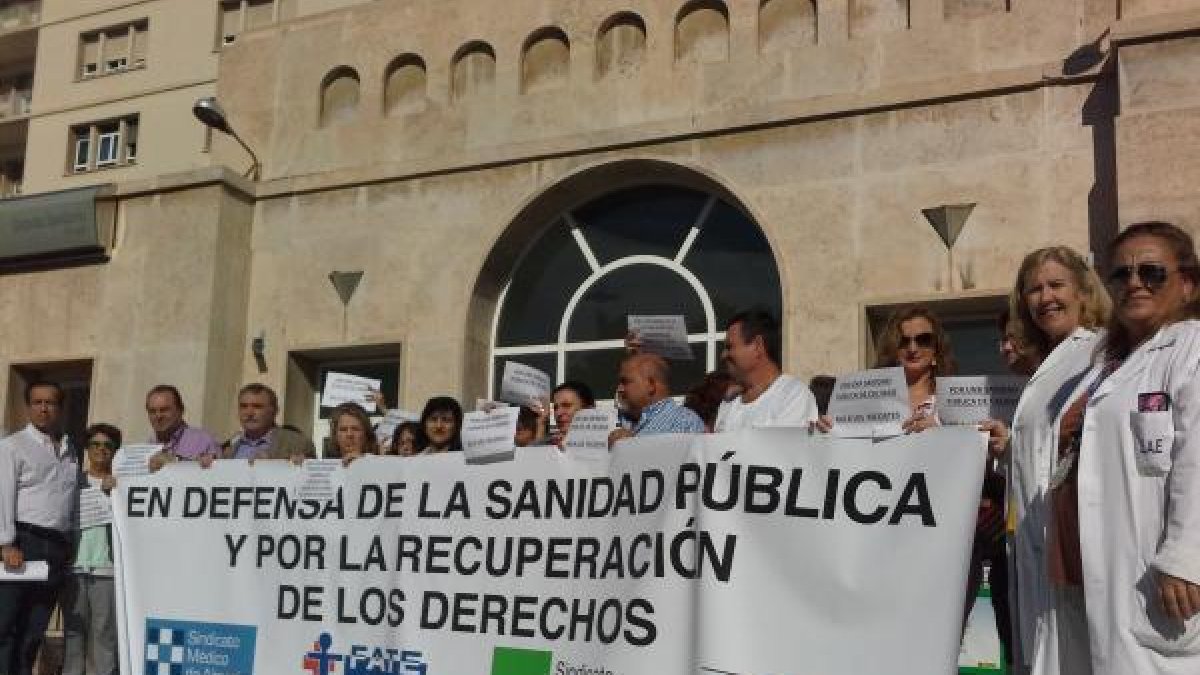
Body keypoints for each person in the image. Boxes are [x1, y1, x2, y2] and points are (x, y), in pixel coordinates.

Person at [1044, 221, 1200, 674]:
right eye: (1121, 273)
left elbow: (1196, 457)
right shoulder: (1114, 362)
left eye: (1152, 272)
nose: (1134, 282)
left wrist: (1185, 556)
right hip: (1102, 563)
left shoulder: (1189, 348)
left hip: (1157, 569)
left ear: (1187, 283)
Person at [996, 246, 1110, 675]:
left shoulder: (1100, 352)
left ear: (1082, 291)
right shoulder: (1048, 363)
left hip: (1071, 544)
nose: (1045, 297)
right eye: (1034, 289)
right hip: (1032, 542)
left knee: (1078, 653)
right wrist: (1008, 447)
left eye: (1056, 285)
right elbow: (1045, 450)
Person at [0, 381, 78, 675]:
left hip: (56, 547)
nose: (44, 408)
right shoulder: (12, 445)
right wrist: (6, 543)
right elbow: (2, 494)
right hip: (23, 543)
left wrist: (70, 545)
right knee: (6, 626)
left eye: (50, 402)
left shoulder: (70, 449)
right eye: (37, 402)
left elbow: (69, 501)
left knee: (34, 630)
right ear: (28, 406)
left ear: (60, 407)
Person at [62, 423, 121, 675]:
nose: (101, 449)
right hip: (73, 570)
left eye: (108, 445)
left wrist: (118, 491)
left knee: (104, 635)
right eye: (95, 444)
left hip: (107, 570)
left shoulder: (122, 484)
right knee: (73, 635)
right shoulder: (73, 481)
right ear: (87, 448)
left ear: (115, 451)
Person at [713, 310, 818, 431]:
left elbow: (782, 443)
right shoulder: (729, 401)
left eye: (729, 347)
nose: (723, 355)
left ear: (758, 345)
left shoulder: (793, 396)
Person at [609, 353, 704, 446]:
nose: (620, 389)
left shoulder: (684, 423)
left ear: (651, 385)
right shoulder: (613, 419)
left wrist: (631, 446)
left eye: (625, 382)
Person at [222, 383, 315, 462]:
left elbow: (313, 475)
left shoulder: (297, 444)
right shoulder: (227, 449)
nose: (249, 413)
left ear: (274, 411)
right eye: (244, 406)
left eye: (257, 406)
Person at [144, 384, 220, 469]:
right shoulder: (147, 448)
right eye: (152, 411)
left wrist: (177, 462)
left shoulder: (203, 441)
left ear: (180, 410)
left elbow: (218, 473)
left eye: (164, 410)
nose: (158, 416)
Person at [550, 381, 596, 447]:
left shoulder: (608, 444)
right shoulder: (550, 445)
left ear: (588, 409)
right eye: (555, 408)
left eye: (566, 405)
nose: (558, 413)